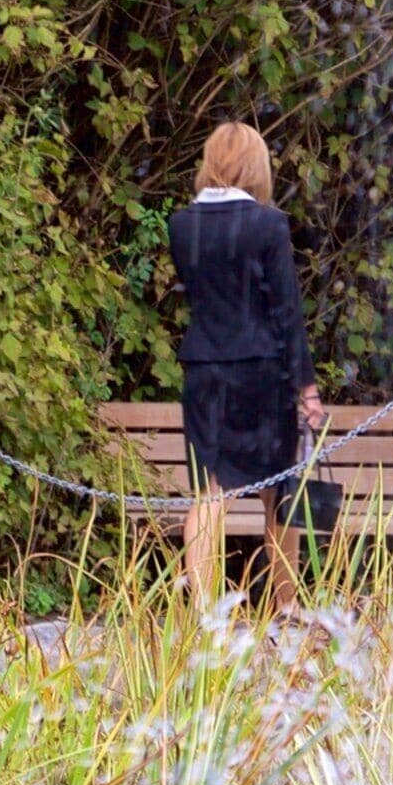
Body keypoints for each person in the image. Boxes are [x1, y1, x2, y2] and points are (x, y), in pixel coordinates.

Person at [167, 122, 324, 609]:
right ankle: (286, 607)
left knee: (211, 492)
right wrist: (307, 388)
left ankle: (203, 615)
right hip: (261, 370)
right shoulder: (267, 223)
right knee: (280, 492)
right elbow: (285, 310)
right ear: (256, 165)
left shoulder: (181, 223)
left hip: (203, 369)